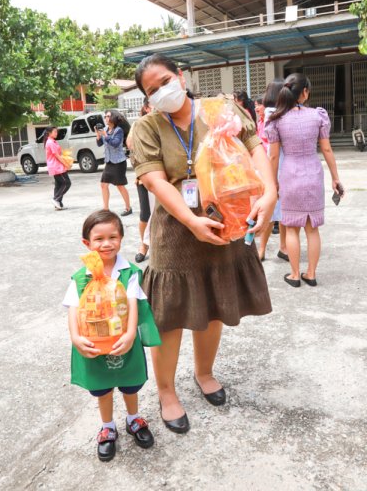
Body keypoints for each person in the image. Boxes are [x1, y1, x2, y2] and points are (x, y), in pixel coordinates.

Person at [131, 53, 276, 434]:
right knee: (170, 316)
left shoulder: (219, 108)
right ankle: (166, 392)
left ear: (181, 75)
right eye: (152, 89)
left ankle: (204, 373)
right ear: (146, 98)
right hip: (177, 233)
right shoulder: (147, 128)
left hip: (227, 222)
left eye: (165, 80)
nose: (163, 91)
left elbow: (255, 147)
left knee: (212, 303)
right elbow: (155, 181)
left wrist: (271, 191)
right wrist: (191, 220)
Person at [63, 209, 160, 462]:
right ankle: (108, 425)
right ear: (87, 243)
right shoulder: (80, 277)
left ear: (121, 238)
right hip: (94, 345)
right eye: (99, 239)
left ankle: (132, 419)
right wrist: (75, 337)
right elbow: (73, 309)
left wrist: (130, 335)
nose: (106, 244)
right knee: (102, 388)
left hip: (123, 341)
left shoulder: (128, 273)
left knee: (130, 384)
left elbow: (133, 303)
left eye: (113, 237)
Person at [265, 73, 344, 287]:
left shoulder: (277, 120)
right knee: (312, 229)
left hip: (290, 174)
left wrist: (272, 183)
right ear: (305, 93)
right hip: (313, 173)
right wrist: (335, 178)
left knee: (291, 227)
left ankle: (294, 274)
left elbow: (272, 156)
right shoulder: (318, 115)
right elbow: (326, 148)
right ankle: (311, 273)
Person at [257, 80, 288, 262]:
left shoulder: (272, 114)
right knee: (272, 209)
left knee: (278, 210)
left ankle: (279, 247)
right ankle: (264, 248)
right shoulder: (273, 113)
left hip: (273, 165)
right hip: (274, 166)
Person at [126, 99, 153, 263]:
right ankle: (144, 245)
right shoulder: (139, 124)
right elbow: (130, 144)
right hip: (146, 177)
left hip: (171, 179)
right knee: (145, 214)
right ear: (146, 107)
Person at [96, 110, 132, 217]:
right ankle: (106, 209)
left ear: (113, 118)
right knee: (103, 185)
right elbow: (99, 143)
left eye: (107, 116)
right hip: (109, 161)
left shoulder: (118, 130)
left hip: (119, 162)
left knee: (120, 186)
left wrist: (105, 135)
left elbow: (115, 143)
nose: (105, 118)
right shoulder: (106, 129)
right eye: (105, 116)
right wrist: (98, 135)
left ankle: (128, 208)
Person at [44, 126, 71, 210]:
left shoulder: (52, 141)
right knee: (67, 183)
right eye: (55, 132)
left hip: (55, 166)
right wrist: (66, 164)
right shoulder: (50, 142)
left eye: (56, 132)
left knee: (59, 185)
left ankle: (58, 204)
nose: (56, 133)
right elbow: (57, 156)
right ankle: (56, 199)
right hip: (57, 166)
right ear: (49, 133)